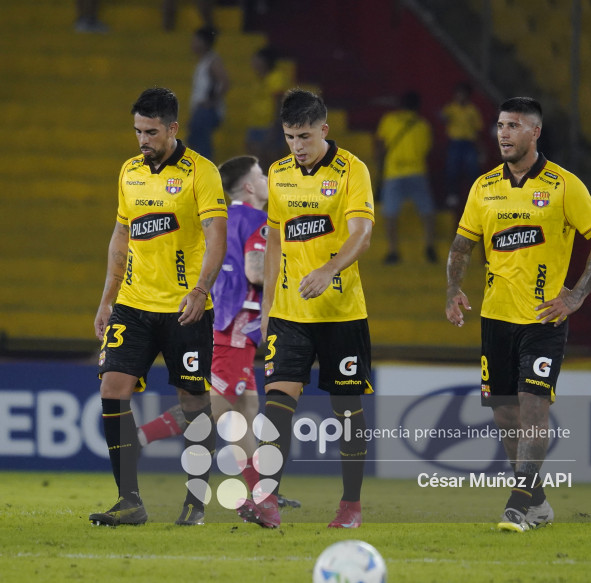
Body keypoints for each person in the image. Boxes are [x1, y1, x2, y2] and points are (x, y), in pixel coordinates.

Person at [445, 97, 591, 532]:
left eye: (514, 126)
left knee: (533, 408)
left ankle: (518, 505)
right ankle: (537, 500)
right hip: (495, 317)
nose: (503, 133)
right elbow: (462, 245)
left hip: (543, 320)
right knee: (505, 415)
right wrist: (452, 288)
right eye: (500, 125)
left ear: (535, 133)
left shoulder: (563, 185)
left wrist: (576, 296)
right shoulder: (483, 187)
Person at [236, 88, 375, 529]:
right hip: (291, 315)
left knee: (346, 409)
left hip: (342, 313)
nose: (297, 146)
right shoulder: (279, 173)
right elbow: (275, 240)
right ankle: (268, 499)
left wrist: (329, 270)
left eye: (305, 137)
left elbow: (361, 234)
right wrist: (269, 306)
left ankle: (350, 506)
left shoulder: (353, 170)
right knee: (278, 401)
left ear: (324, 130)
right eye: (290, 137)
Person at [89, 87, 228, 527]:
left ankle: (196, 500)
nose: (142, 140)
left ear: (173, 128)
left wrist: (201, 290)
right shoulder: (129, 172)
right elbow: (120, 237)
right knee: (112, 389)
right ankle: (129, 500)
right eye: (137, 131)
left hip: (184, 307)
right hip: (133, 304)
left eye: (150, 132)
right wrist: (107, 299)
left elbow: (216, 237)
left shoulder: (200, 172)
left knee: (191, 398)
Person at [136, 155, 301, 509]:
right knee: (210, 408)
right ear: (249, 186)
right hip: (238, 326)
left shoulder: (222, 219)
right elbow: (257, 273)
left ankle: (262, 493)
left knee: (243, 415)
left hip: (220, 320)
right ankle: (137, 438)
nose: (267, 180)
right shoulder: (259, 220)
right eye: (261, 174)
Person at [375, 91, 436, 264]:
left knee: (390, 214)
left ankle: (393, 251)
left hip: (394, 173)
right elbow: (427, 148)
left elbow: (380, 144)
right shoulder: (423, 125)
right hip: (417, 171)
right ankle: (429, 246)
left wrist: (379, 169)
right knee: (427, 212)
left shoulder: (389, 120)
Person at [440, 82, 483, 219]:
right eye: (458, 94)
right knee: (452, 170)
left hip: (469, 144)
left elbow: (478, 130)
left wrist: (480, 148)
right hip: (455, 143)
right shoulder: (451, 108)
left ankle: (475, 198)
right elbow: (443, 117)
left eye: (463, 94)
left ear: (468, 95)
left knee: (473, 170)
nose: (460, 96)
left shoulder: (472, 110)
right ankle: (453, 195)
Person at [187, 26, 229, 161]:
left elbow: (225, 82)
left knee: (202, 147)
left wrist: (212, 102)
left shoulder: (213, 61)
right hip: (200, 110)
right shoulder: (203, 62)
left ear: (204, 42)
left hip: (207, 111)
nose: (192, 43)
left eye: (196, 40)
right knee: (193, 143)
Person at [245, 46, 291, 169]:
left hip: (269, 125)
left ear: (265, 61)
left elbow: (279, 104)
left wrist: (276, 126)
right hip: (255, 124)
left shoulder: (276, 78)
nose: (253, 62)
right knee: (255, 161)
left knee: (272, 161)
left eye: (256, 59)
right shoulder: (257, 79)